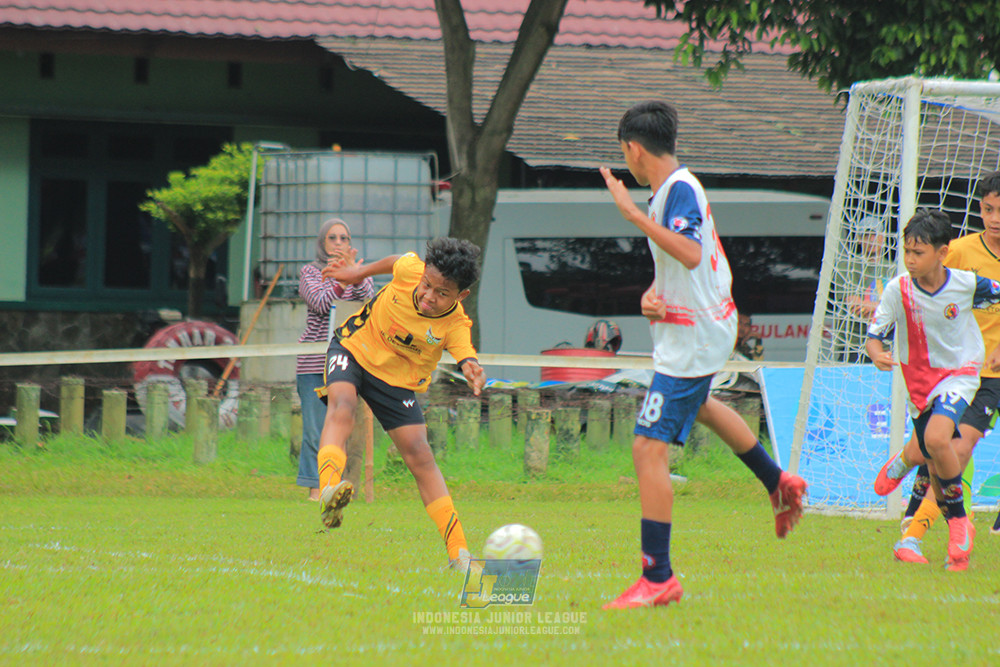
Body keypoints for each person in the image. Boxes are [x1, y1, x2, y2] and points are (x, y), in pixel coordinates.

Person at [598, 100, 808, 609]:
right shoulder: (671, 192)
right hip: (693, 328)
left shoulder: (679, 190)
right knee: (704, 407)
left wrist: (628, 213)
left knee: (647, 447)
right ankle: (777, 482)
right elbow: (695, 260)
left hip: (694, 337)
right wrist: (653, 294)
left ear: (633, 148)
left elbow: (690, 252)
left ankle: (658, 577)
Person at [314, 237, 486, 571]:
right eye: (427, 285)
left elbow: (465, 352)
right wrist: (356, 272)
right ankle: (328, 489)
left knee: (421, 455)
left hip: (396, 381)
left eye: (442, 293)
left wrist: (471, 368)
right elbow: (394, 261)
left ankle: (459, 553)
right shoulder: (410, 269)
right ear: (421, 274)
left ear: (461, 296)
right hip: (353, 348)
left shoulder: (454, 324)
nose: (428, 296)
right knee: (343, 406)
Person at [866, 208, 1000, 571]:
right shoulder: (898, 289)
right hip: (918, 382)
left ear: (942, 253)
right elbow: (875, 335)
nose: (910, 259)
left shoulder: (967, 284)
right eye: (907, 251)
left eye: (919, 252)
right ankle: (905, 459)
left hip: (960, 374)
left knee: (940, 441)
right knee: (927, 447)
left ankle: (958, 524)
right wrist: (878, 354)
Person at [295, 219, 375, 501]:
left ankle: (343, 486)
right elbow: (320, 302)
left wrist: (355, 272)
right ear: (322, 242)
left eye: (344, 238)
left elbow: (369, 299)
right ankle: (316, 489)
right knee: (315, 429)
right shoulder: (310, 272)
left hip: (349, 361)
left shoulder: (360, 272)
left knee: (347, 428)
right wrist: (342, 279)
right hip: (315, 362)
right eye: (333, 238)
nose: (339, 243)